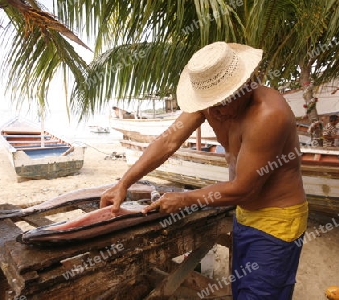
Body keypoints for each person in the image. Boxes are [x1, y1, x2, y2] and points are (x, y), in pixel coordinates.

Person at [100, 42, 308, 299]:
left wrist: (186, 199)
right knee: (241, 290)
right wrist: (124, 183)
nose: (214, 112)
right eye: (209, 104)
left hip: (277, 220)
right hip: (243, 212)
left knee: (262, 294)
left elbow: (244, 188)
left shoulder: (268, 114)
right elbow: (168, 141)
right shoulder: (211, 103)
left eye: (221, 102)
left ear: (245, 84)